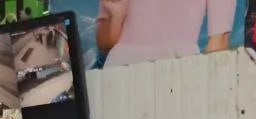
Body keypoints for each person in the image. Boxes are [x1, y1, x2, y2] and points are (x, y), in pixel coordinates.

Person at [95, 0, 234, 69]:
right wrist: (116, 18)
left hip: (180, 70)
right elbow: (104, 44)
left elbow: (219, 43)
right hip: (120, 71)